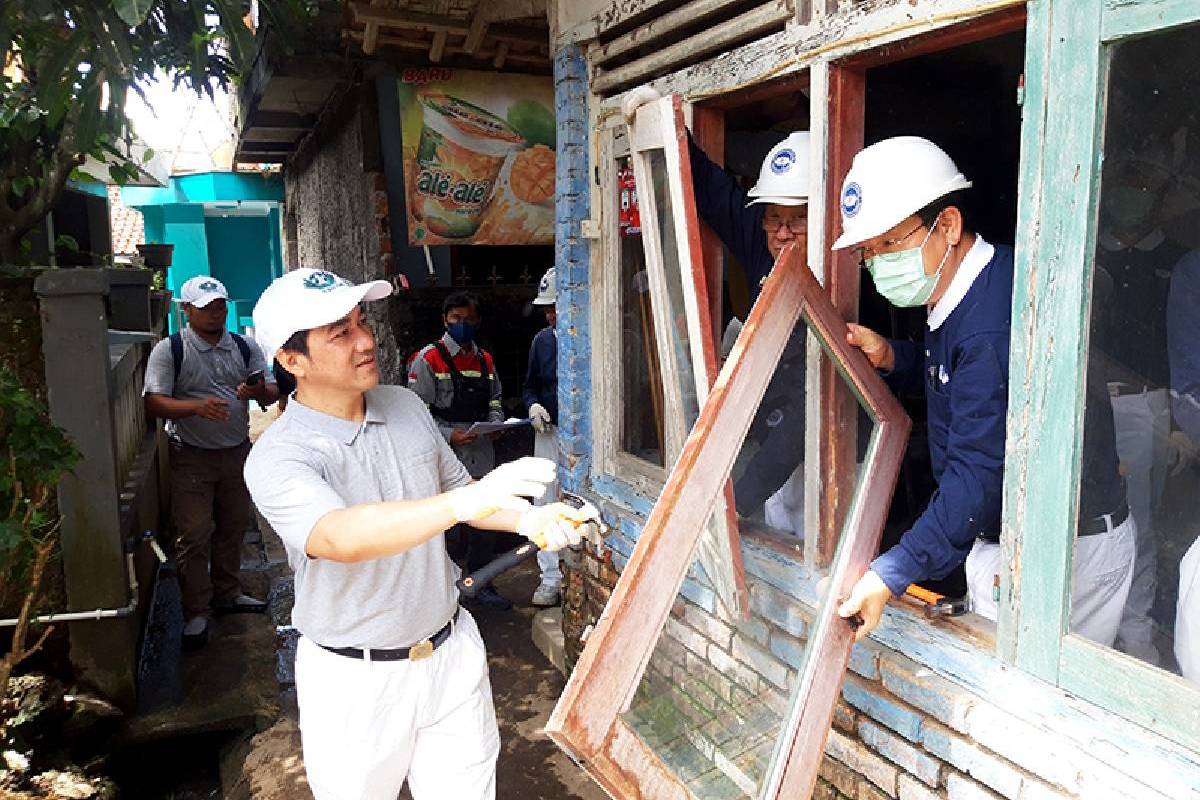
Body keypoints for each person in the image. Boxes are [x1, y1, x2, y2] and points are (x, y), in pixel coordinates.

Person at [244, 268, 586, 800]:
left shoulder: (404, 406)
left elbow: (465, 493)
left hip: (450, 652)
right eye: (340, 334)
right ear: (292, 362)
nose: (365, 341)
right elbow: (337, 536)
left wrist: (529, 520)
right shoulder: (279, 456)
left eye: (362, 323)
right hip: (355, 681)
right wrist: (461, 502)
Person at [832, 136, 1135, 644]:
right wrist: (894, 357)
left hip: (1065, 553)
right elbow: (959, 381)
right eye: (868, 252)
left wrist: (892, 571)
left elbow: (980, 470)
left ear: (947, 225)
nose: (879, 263)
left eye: (890, 243)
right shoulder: (964, 287)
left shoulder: (993, 324)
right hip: (1007, 538)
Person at [622, 86, 811, 534]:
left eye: (796, 220)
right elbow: (714, 192)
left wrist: (738, 498)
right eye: (773, 218)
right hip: (774, 451)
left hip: (834, 457)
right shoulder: (766, 248)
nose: (782, 233)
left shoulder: (847, 275)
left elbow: (812, 409)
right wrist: (669, 130)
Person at [143, 276, 278, 649]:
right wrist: (196, 407)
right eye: (205, 308)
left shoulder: (243, 346)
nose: (215, 313)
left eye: (219, 306)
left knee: (233, 527)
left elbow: (272, 390)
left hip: (236, 450)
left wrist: (255, 392)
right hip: (191, 456)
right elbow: (153, 402)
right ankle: (196, 611)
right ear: (186, 311)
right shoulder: (169, 351)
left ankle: (228, 593)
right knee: (195, 534)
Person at [409, 292, 511, 610]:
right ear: (445, 320)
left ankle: (480, 585)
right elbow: (417, 413)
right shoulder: (428, 359)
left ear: (476, 320)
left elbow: (496, 398)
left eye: (467, 319)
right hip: (445, 452)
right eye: (455, 319)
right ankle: (446, 591)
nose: (461, 324)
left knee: (485, 519)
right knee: (448, 523)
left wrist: (495, 424)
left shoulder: (485, 360)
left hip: (481, 450)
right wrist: (448, 435)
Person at [524, 267, 563, 607]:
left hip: (582, 437)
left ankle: (577, 570)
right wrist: (533, 405)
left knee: (576, 501)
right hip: (548, 431)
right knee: (544, 501)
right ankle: (550, 578)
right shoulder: (542, 341)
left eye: (556, 306)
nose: (551, 313)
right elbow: (530, 386)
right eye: (546, 308)